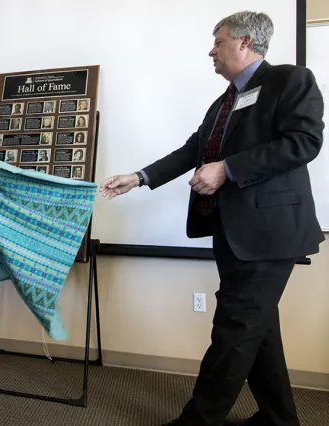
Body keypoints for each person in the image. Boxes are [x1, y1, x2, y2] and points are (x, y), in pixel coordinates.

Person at [100, 11, 324, 426]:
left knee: (234, 329)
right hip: (233, 232)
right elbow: (193, 150)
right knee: (258, 330)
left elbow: (304, 143)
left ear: (244, 42)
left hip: (270, 234)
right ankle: (279, 419)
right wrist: (140, 177)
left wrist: (228, 168)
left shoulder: (290, 80)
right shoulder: (225, 101)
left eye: (217, 41)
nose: (211, 50)